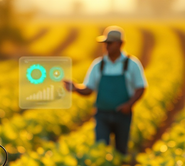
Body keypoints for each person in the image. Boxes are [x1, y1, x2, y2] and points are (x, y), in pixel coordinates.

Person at [63, 26, 147, 155]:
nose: (106, 46)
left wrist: (129, 105)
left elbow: (141, 87)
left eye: (110, 43)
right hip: (102, 115)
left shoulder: (132, 64)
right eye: (105, 43)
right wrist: (75, 88)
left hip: (122, 115)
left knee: (121, 150)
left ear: (120, 44)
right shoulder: (98, 65)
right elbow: (88, 89)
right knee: (100, 150)